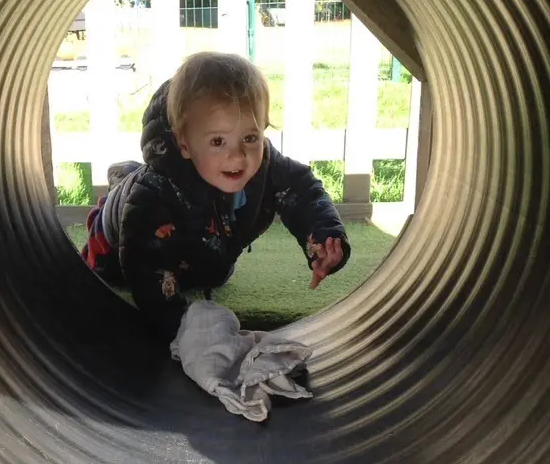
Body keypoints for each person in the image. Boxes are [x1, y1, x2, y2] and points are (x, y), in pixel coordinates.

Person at [80, 51, 350, 341]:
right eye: (218, 141)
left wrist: (324, 236)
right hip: (120, 236)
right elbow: (143, 266)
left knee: (212, 272)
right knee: (111, 273)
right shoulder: (155, 192)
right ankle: (120, 184)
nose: (237, 155)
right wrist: (180, 331)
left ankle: (134, 181)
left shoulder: (266, 166)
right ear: (185, 144)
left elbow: (303, 191)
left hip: (203, 242)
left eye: (250, 137)